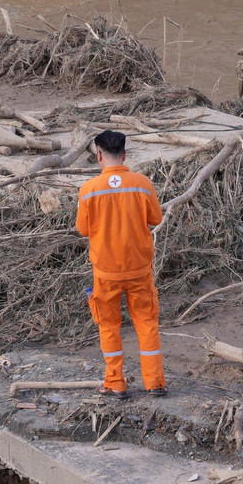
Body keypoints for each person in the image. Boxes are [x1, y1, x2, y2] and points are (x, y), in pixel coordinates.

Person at [76, 130, 167, 399]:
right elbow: (155, 218)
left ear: (99, 155)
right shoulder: (142, 183)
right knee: (147, 323)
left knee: (108, 326)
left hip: (105, 272)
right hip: (139, 270)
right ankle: (155, 383)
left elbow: (83, 230)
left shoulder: (88, 189)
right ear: (125, 155)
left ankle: (115, 383)